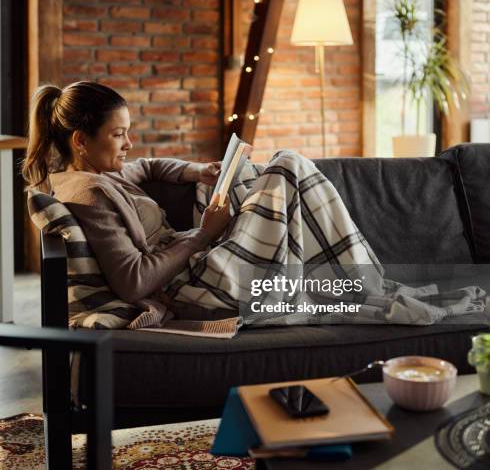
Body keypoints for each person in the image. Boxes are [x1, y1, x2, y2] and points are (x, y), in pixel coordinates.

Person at [23, 81, 486, 329]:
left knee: (248, 171)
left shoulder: (103, 171)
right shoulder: (90, 193)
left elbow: (146, 166)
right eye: (118, 134)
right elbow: (133, 281)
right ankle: (370, 285)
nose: (129, 143)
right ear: (81, 140)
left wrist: (197, 171)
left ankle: (366, 284)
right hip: (198, 287)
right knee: (286, 166)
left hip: (200, 261)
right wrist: (205, 232)